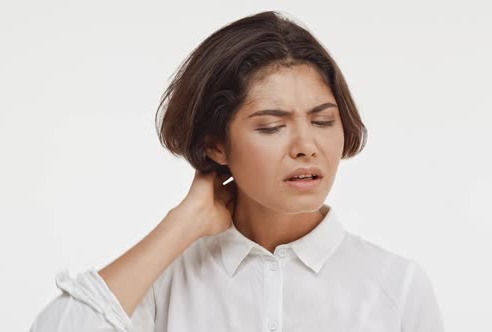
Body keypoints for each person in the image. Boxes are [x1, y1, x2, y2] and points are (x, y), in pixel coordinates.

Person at [29, 10, 444, 332]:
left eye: (322, 121)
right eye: (271, 126)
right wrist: (181, 226)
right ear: (216, 144)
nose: (305, 146)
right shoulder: (166, 280)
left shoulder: (397, 286)